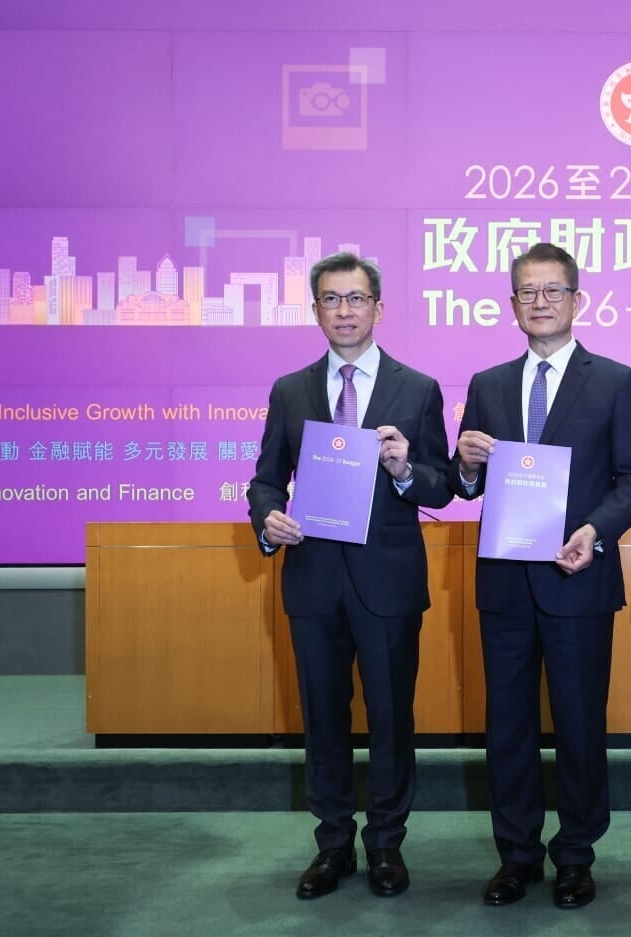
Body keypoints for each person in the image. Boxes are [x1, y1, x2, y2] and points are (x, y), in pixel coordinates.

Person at [450, 242, 631, 911]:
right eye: (528, 292)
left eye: (553, 290)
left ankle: (575, 855)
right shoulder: (487, 383)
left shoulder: (615, 380)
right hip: (505, 583)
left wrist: (595, 530)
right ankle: (516, 855)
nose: (540, 302)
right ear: (512, 304)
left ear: (576, 299)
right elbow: (465, 484)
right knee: (507, 725)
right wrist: (466, 464)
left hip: (578, 579)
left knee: (579, 724)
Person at [247, 252, 452, 900]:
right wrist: (268, 518)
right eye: (331, 299)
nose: (344, 311)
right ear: (315, 311)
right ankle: (333, 842)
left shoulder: (417, 389)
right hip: (313, 577)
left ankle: (386, 842)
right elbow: (265, 479)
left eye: (356, 298)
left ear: (378, 308)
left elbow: (443, 485)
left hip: (386, 581)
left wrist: (404, 469)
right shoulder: (290, 390)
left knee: (391, 716)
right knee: (323, 716)